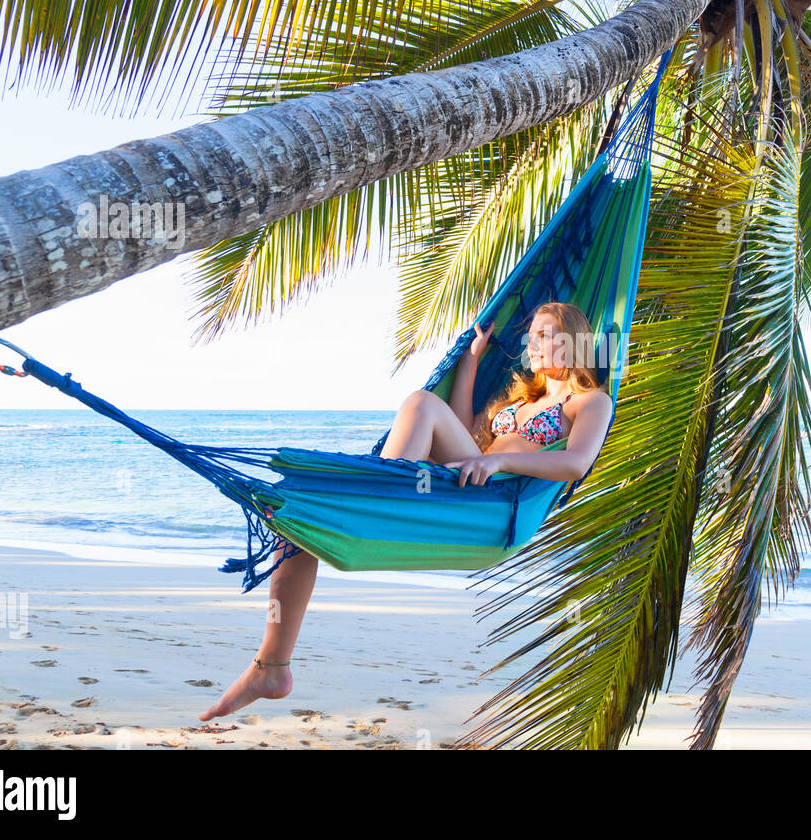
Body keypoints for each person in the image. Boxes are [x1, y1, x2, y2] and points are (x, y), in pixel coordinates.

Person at [198, 301, 614, 721]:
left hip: (496, 504)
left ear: (575, 342)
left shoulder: (590, 401)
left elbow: (576, 462)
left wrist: (498, 462)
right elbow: (465, 432)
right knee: (297, 517)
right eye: (532, 335)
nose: (533, 343)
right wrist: (470, 361)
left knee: (421, 402)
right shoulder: (523, 399)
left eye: (546, 335)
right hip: (461, 483)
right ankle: (272, 666)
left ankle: (377, 496)